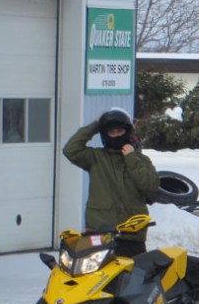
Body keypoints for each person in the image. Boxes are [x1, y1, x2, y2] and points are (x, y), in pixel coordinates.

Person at [63, 108, 159, 258]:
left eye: (119, 131)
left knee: (133, 278)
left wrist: (131, 159)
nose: (116, 135)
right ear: (105, 135)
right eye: (111, 132)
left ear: (127, 132)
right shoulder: (95, 158)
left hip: (132, 235)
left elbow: (150, 186)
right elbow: (70, 150)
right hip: (100, 233)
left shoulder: (140, 160)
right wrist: (95, 125)